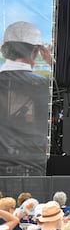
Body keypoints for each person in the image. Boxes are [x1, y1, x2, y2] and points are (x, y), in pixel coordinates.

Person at [0, 21, 51, 176]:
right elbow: (69, 90)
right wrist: (51, 62)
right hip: (32, 164)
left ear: (5, 51)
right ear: (36, 51)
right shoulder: (45, 84)